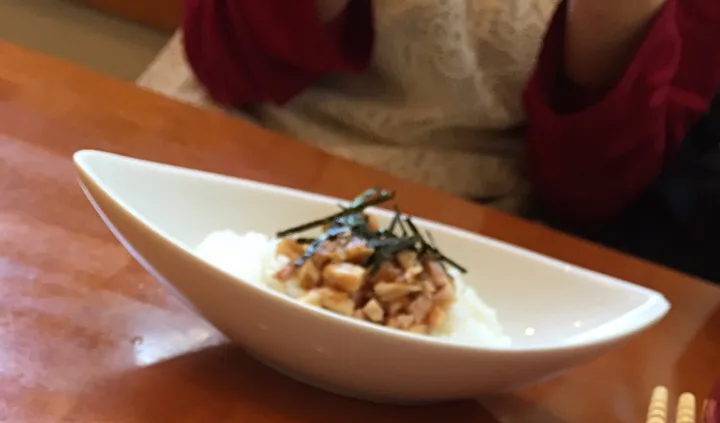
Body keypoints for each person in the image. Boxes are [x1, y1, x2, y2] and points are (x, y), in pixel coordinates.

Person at [139, 1, 720, 277]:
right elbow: (227, 61)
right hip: (229, 137)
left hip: (466, 224)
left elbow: (590, 196)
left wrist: (612, 24)